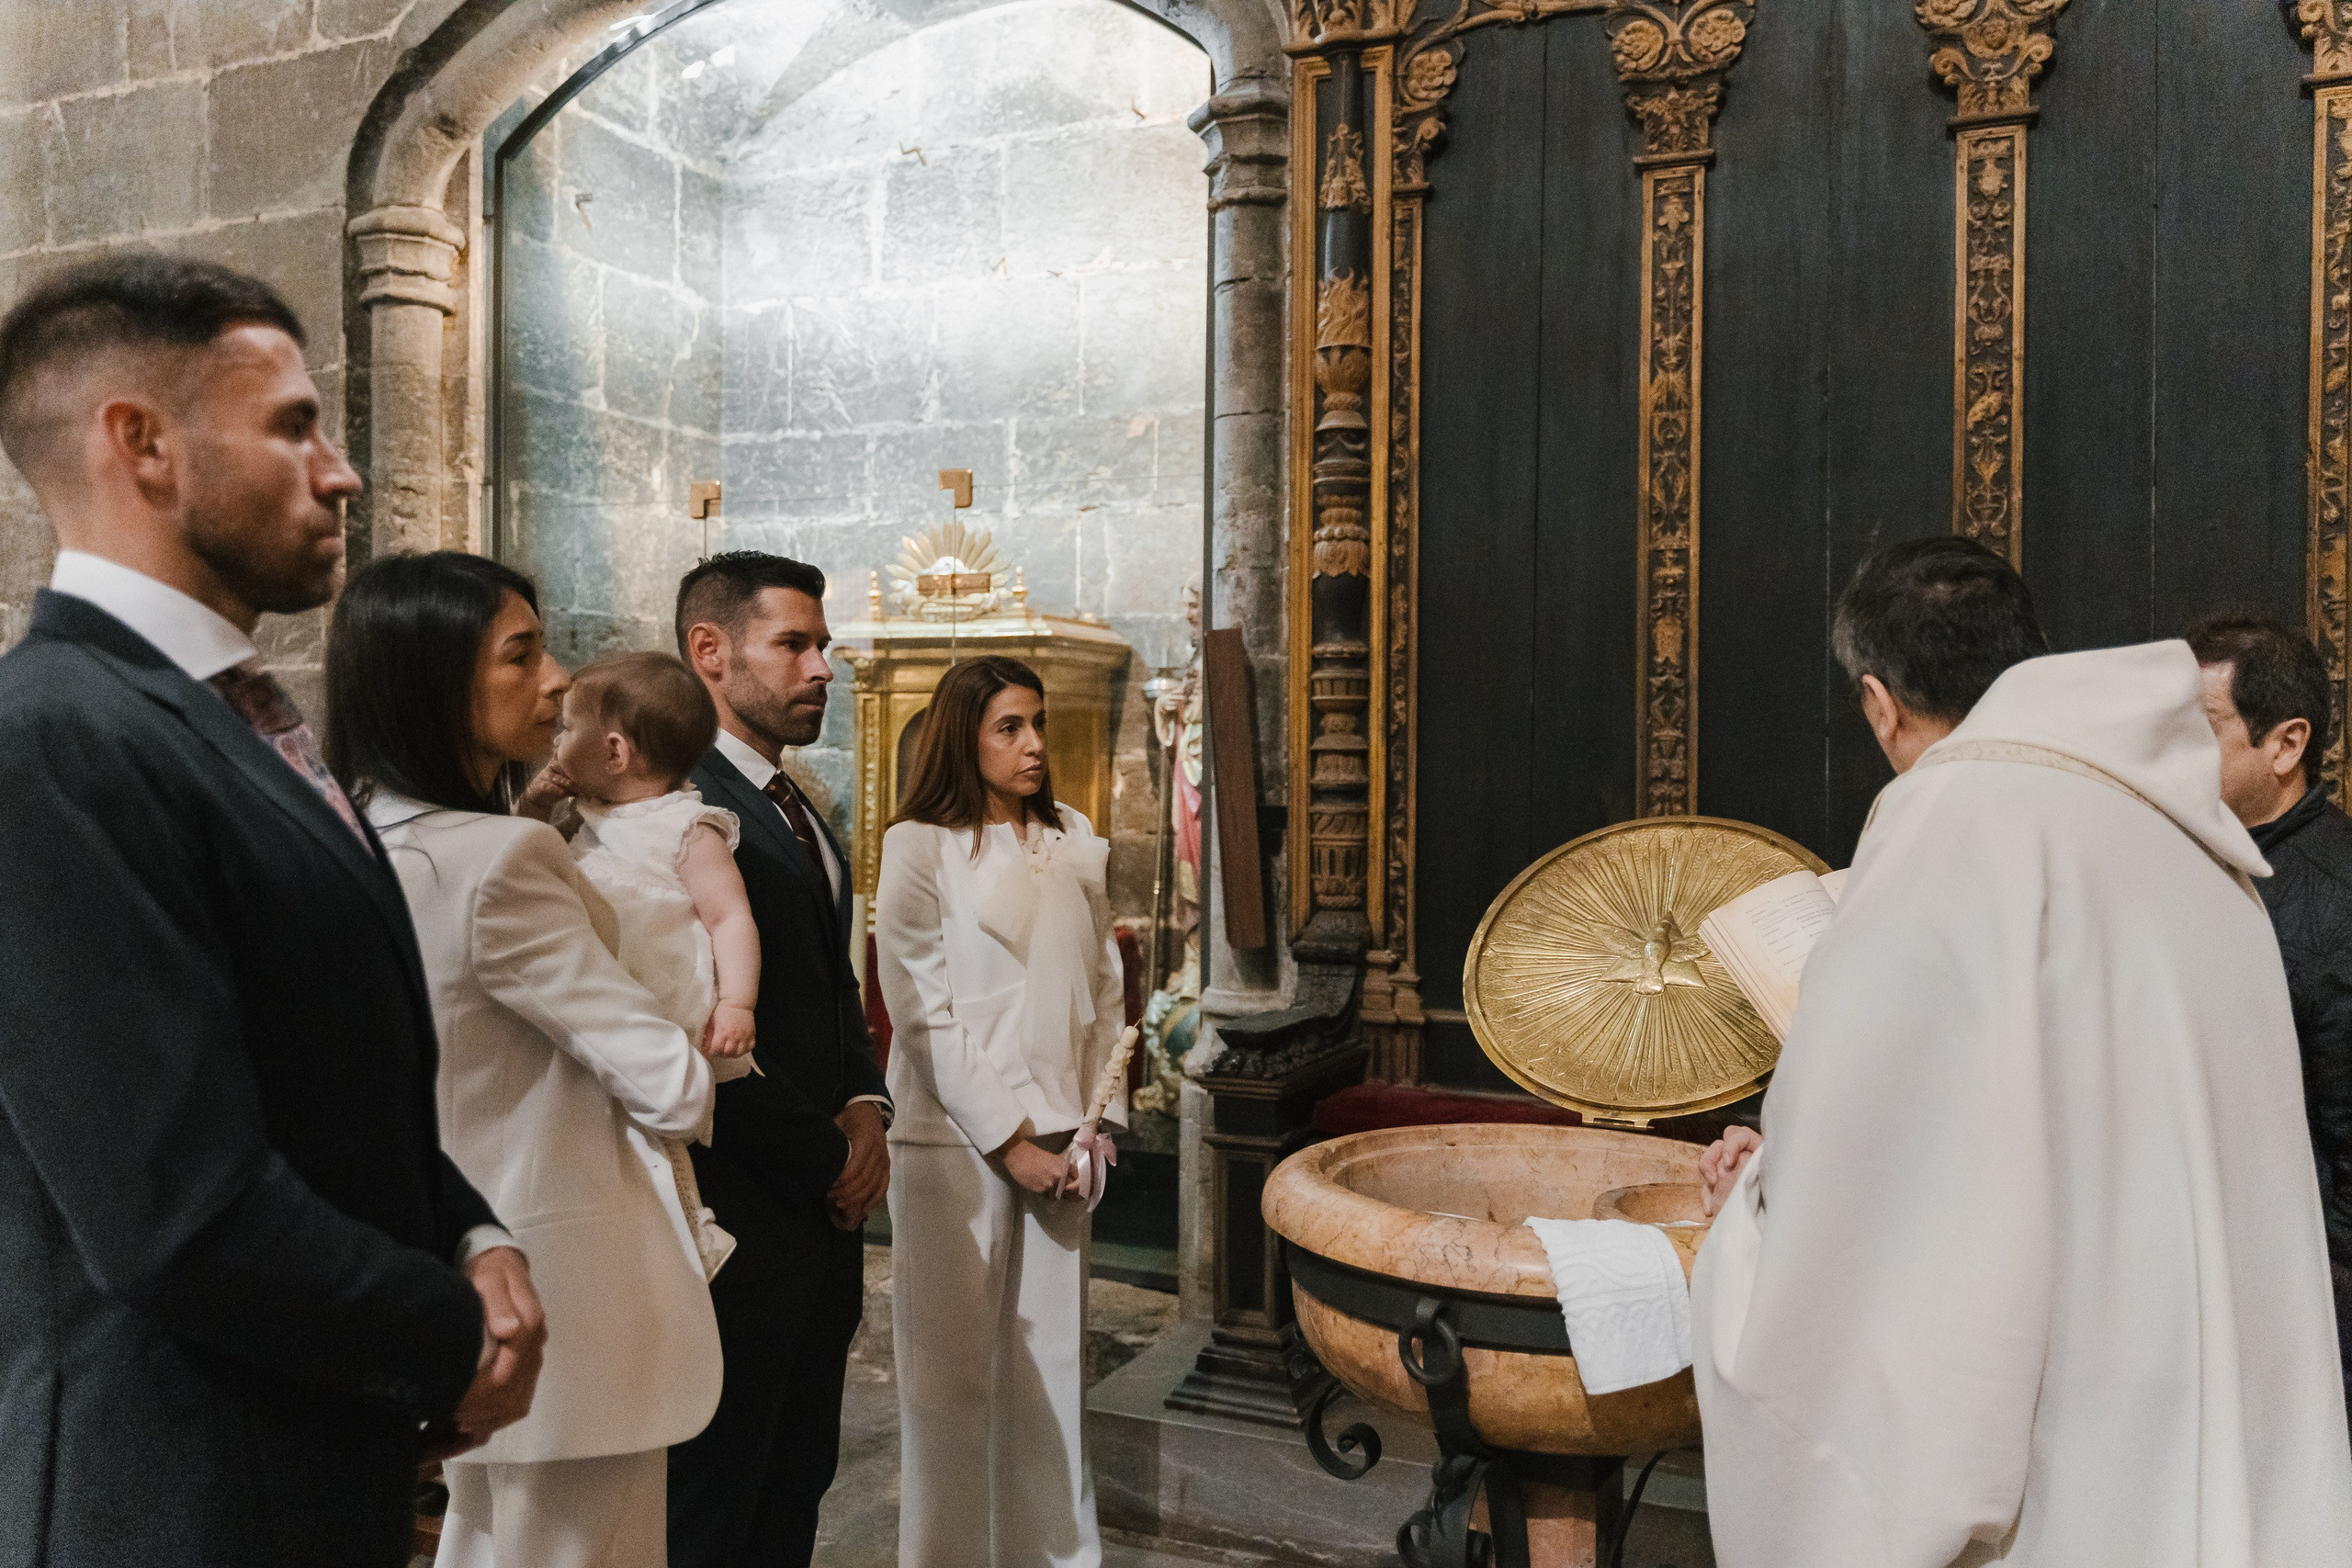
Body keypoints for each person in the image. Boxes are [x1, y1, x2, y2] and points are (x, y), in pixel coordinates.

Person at [0, 255, 543, 1565]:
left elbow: (325, 1071)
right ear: (144, 443)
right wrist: (450, 1333)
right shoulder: (54, 738)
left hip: (297, 1451)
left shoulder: (222, 722)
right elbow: (175, 1208)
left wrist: (469, 1227)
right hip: (173, 1489)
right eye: (294, 425)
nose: (341, 470)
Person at [1689, 536, 2352, 1565]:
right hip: (2203, 1374)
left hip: (2070, 1414)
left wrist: (1751, 1212)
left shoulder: (1945, 820)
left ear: (1879, 702)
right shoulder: (2193, 831)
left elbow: (1865, 1207)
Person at [326, 552, 721, 1568]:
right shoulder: (504, 859)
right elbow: (666, 1082)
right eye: (522, 654)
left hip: (460, 1260)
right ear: (435, 682)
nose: (556, 682)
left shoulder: (365, 835)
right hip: (572, 1289)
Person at [875, 655, 1128, 1568]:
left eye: (1037, 725)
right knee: (949, 1378)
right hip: (953, 1138)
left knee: (1054, 1371)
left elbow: (1104, 987)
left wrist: (1099, 1118)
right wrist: (1008, 1139)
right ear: (963, 738)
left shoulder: (1068, 831)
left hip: (1067, 1131)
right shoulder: (919, 845)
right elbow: (918, 1005)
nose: (1032, 746)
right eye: (1007, 728)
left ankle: (1057, 1558)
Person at [668, 551, 892, 1568]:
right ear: (709, 652)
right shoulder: (673, 806)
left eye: (824, 646)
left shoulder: (798, 805)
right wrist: (822, 1156)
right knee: (715, 1503)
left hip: (818, 1218)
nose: (822, 669)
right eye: (793, 645)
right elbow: (685, 1023)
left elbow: (831, 981)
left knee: (794, 1483)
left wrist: (866, 1105)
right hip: (739, 1213)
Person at [522, 649, 762, 1281]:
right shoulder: (585, 818)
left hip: (667, 1013)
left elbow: (730, 917)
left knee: (664, 1146)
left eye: (566, 728)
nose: (554, 739)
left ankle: (691, 1239)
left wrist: (737, 1000)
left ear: (617, 751)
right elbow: (521, 859)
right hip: (602, 1010)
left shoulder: (687, 826)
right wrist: (534, 808)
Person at [2188, 612, 2352, 1417]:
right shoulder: (2204, 866)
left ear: (2285, 745)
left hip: (2307, 1331)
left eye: (2202, 729)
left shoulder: (2335, 891)